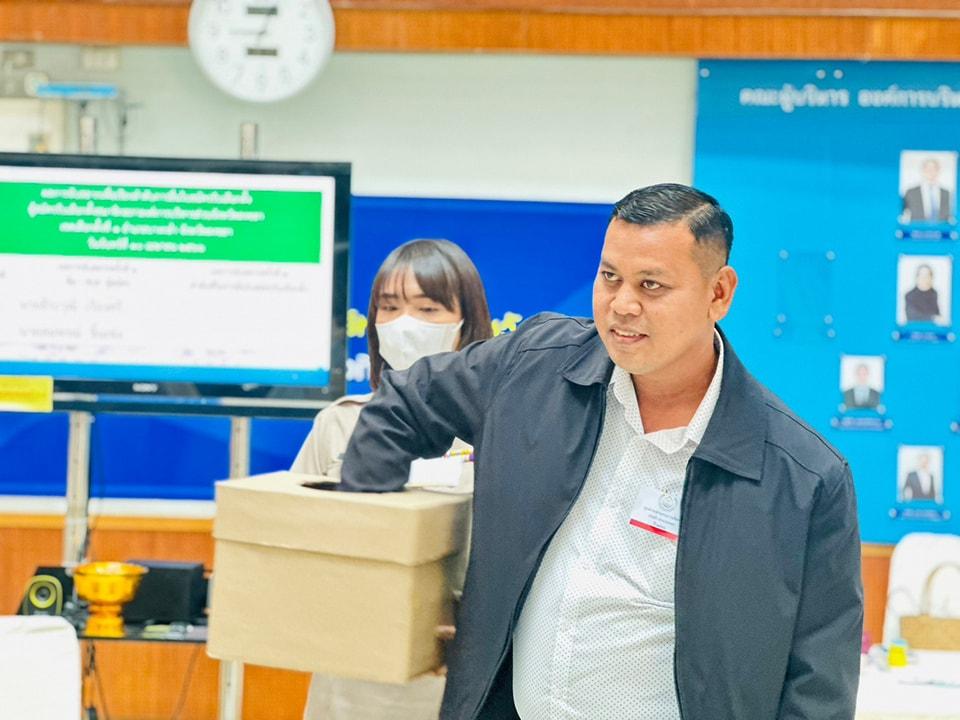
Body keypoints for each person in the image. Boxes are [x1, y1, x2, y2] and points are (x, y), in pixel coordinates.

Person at [340, 184, 863, 720]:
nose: (622, 305)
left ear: (719, 293)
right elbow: (404, 402)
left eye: (651, 285)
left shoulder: (803, 478)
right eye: (610, 277)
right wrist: (371, 558)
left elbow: (819, 687)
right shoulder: (532, 368)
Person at [291, 238, 492, 720]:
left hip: (461, 679)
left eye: (428, 308)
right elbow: (297, 541)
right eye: (390, 307)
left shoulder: (503, 430)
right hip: (352, 680)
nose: (405, 323)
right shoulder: (339, 422)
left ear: (467, 322)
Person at [902, 157, 952, 223]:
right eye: (928, 169)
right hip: (917, 228)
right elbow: (902, 214)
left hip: (941, 228)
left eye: (934, 169)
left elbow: (949, 215)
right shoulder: (911, 193)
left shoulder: (946, 193)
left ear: (938, 171)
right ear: (922, 171)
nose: (931, 172)